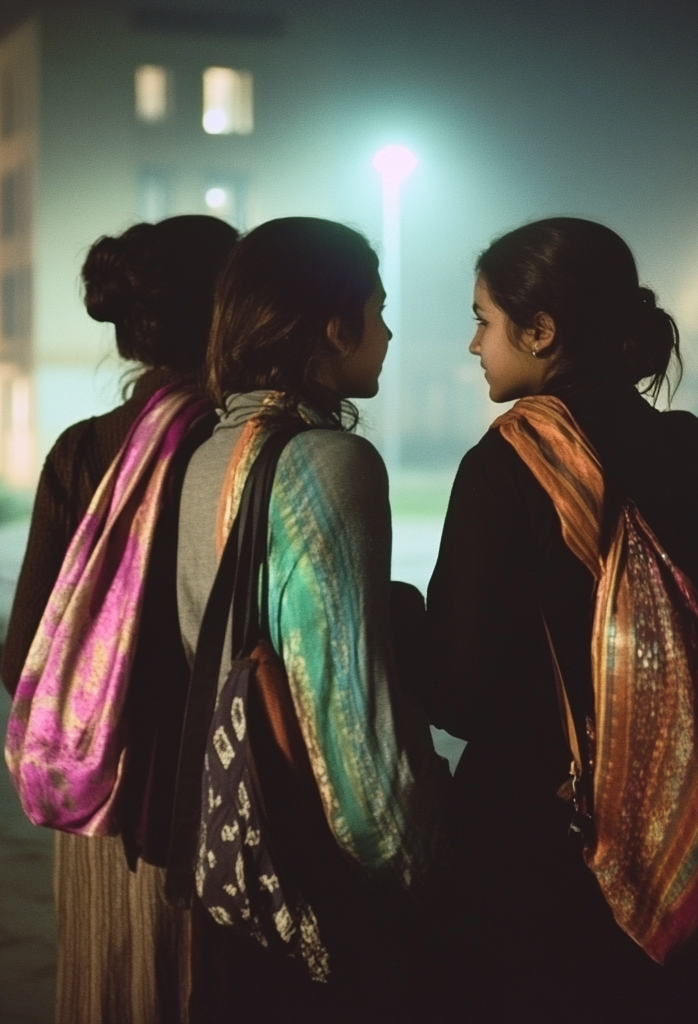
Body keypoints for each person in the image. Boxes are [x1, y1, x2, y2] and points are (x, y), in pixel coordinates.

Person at [424, 218, 698, 1023]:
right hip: (676, 816)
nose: (474, 345)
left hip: (533, 839)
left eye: (483, 319)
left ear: (540, 332)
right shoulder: (691, 449)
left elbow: (459, 691)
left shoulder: (505, 463)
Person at [175, 216, 450, 1022]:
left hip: (240, 863)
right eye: (380, 308)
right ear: (335, 326)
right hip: (322, 885)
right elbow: (348, 714)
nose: (390, 331)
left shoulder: (207, 455)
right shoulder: (329, 464)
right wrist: (423, 859)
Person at [2, 214, 238, 1024]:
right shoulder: (242, 445)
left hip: (99, 800)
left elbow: (22, 664)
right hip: (209, 807)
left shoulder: (80, 451)